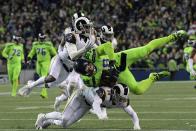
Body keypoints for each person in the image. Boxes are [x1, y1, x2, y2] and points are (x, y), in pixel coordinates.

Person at [34, 62, 141, 130]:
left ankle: (48, 122)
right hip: (80, 97)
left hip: (87, 106)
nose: (120, 100)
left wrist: (137, 126)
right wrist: (100, 115)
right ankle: (43, 116)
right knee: (64, 117)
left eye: (121, 98)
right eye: (119, 96)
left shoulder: (123, 101)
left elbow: (133, 114)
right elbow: (96, 103)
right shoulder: (105, 92)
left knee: (65, 124)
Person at [18, 15, 95, 96]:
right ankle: (30, 86)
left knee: (49, 85)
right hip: (61, 60)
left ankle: (32, 83)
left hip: (69, 67)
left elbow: (96, 48)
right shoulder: (72, 36)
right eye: (87, 27)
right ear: (80, 28)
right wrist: (61, 49)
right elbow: (73, 56)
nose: (89, 29)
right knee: (52, 77)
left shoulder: (90, 38)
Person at [27, 33, 57, 98]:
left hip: (46, 62)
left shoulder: (48, 45)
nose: (41, 40)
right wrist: (29, 58)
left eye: (42, 38)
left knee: (43, 77)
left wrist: (56, 60)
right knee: (40, 75)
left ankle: (44, 93)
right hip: (38, 62)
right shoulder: (36, 45)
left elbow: (54, 53)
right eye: (41, 38)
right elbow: (32, 52)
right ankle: (46, 86)